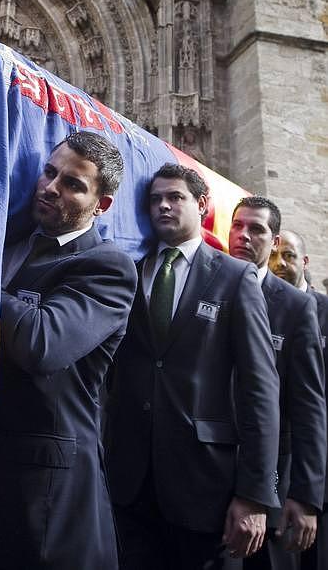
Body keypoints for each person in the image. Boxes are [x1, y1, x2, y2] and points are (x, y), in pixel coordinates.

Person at [0, 131, 137, 569]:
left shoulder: (107, 266)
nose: (50, 187)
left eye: (72, 184)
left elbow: (41, 344)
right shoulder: (5, 243)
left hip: (42, 501)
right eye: (50, 172)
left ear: (101, 204)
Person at [105, 163, 280, 570]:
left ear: (201, 204)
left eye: (175, 197)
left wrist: (254, 494)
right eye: (155, 200)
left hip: (205, 486)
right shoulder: (130, 271)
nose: (163, 206)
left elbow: (259, 387)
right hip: (128, 482)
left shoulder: (235, 277)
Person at [228, 198, 326, 569]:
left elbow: (309, 406)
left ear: (274, 240)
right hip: (207, 480)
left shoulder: (296, 307)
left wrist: (306, 495)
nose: (244, 236)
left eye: (256, 229)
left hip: (275, 487)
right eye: (238, 226)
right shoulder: (207, 284)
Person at [269, 229, 328, 570]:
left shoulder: (323, 311)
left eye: (289, 256)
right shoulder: (262, 307)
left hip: (315, 463)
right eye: (274, 256)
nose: (280, 263)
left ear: (304, 261)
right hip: (277, 461)